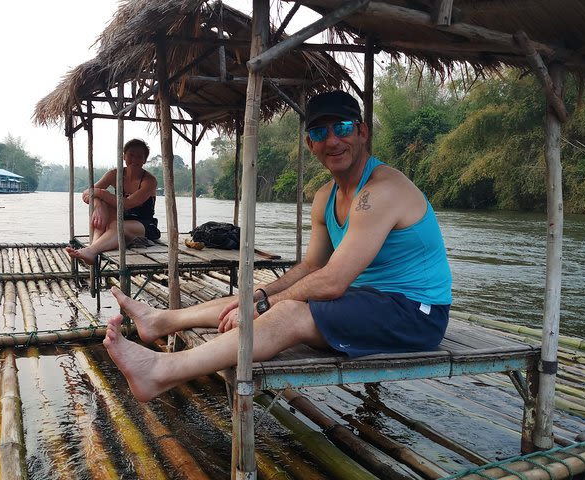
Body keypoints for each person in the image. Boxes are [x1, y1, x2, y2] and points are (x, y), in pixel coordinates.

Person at [103, 90, 452, 402]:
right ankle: (160, 320)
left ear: (362, 132)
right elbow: (314, 266)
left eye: (342, 128)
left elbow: (332, 282)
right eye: (320, 133)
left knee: (285, 312)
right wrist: (259, 296)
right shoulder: (326, 196)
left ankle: (161, 371)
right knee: (249, 297)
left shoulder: (381, 191)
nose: (332, 141)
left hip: (415, 314)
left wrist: (269, 304)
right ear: (309, 143)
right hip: (368, 299)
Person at [66, 139, 160, 265]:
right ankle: (92, 249)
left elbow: (127, 203)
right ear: (124, 156)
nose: (135, 159)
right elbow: (86, 193)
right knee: (102, 209)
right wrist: (98, 205)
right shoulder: (114, 174)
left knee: (115, 224)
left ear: (144, 160)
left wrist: (101, 193)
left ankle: (91, 250)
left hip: (144, 225)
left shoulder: (149, 181)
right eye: (131, 155)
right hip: (118, 221)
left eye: (139, 156)